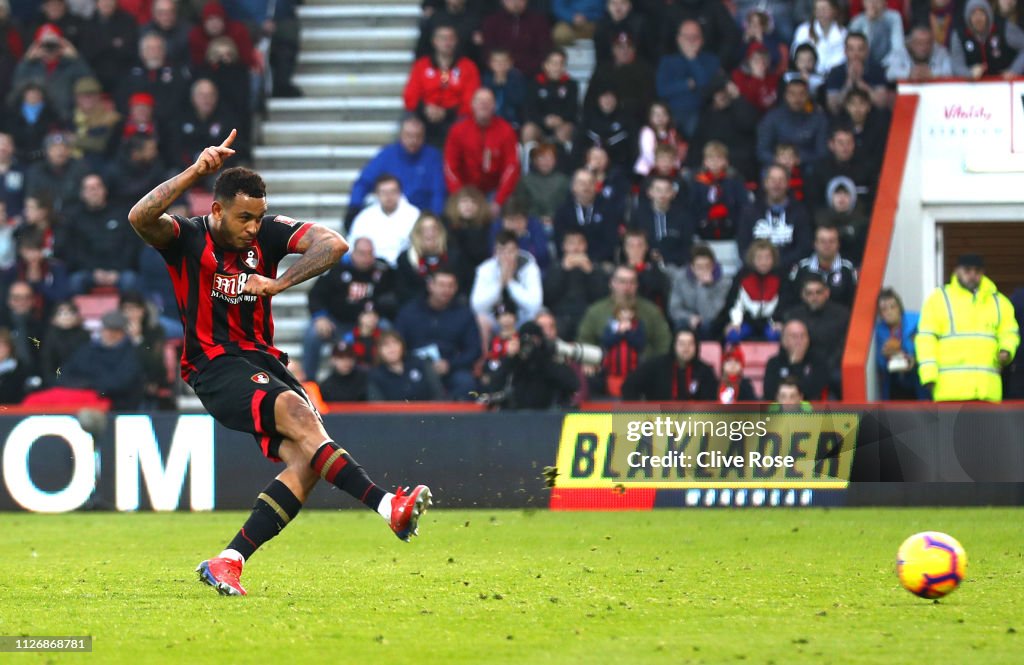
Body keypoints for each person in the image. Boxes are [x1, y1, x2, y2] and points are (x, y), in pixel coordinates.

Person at [127, 128, 431, 596]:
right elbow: (139, 215)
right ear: (217, 209)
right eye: (244, 217)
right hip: (214, 363)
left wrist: (278, 283)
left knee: (309, 462)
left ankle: (229, 560)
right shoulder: (185, 239)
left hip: (265, 361)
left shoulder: (265, 234)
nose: (253, 227)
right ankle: (388, 505)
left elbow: (333, 245)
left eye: (259, 216)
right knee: (296, 412)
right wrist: (196, 171)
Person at [916, 254, 1019, 402]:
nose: (972, 275)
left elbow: (1009, 332)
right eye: (967, 270)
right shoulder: (938, 300)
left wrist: (1006, 350)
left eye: (977, 271)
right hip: (949, 393)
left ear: (983, 273)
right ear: (957, 270)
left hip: (986, 392)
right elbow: (926, 339)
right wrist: (928, 376)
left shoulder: (999, 302)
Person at [302, 236, 397, 379]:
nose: (367, 258)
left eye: (370, 253)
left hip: (368, 324)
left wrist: (376, 313)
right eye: (362, 253)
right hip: (336, 322)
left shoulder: (383, 271)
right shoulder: (336, 268)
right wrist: (320, 316)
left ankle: (389, 378)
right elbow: (316, 295)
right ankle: (308, 381)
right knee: (312, 333)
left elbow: (392, 298)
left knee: (388, 330)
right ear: (353, 253)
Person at [394, 268, 481, 399]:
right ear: (430, 286)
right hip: (415, 367)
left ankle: (453, 419)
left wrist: (450, 364)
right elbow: (398, 342)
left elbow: (474, 349)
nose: (446, 290)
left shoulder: (464, 314)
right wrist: (416, 364)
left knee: (466, 383)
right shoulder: (409, 312)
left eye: (450, 286)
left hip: (451, 368)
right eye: (441, 285)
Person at [348, 118, 445, 223]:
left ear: (424, 137)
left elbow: (438, 191)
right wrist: (355, 206)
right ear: (401, 136)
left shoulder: (432, 157)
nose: (413, 140)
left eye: (418, 136)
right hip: (389, 216)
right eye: (409, 135)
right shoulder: (387, 155)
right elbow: (363, 182)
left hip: (421, 219)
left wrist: (435, 217)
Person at [62, 172, 142, 294]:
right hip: (89, 272)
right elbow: (74, 252)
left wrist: (116, 271)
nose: (93, 192)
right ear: (82, 194)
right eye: (88, 188)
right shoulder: (75, 219)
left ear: (104, 190)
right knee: (75, 281)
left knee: (130, 280)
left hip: (120, 271)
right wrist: (94, 272)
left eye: (96, 187)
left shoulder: (121, 214)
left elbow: (131, 246)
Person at [443, 88, 521, 213]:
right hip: (465, 190)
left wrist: (498, 201)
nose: (484, 104)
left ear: (495, 106)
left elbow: (512, 167)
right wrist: (460, 196)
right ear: (472, 104)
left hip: (495, 191)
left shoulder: (506, 131)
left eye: (488, 101)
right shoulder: (458, 131)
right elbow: (450, 167)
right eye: (480, 101)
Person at [403, 22, 481, 147]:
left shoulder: (468, 67)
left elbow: (470, 100)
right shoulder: (421, 65)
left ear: (456, 41)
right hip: (425, 115)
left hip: (455, 116)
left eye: (450, 38)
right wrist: (425, 108)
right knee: (409, 123)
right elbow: (410, 96)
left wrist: (447, 112)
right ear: (434, 41)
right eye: (443, 38)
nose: (447, 43)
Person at [478, 319, 579, 409]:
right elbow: (494, 386)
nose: (530, 343)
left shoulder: (549, 360)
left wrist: (542, 357)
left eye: (534, 339)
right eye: (526, 339)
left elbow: (573, 384)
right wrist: (510, 358)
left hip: (546, 413)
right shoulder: (515, 361)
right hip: (516, 414)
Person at [576, 264, 671, 359]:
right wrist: (588, 360)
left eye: (632, 282)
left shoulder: (651, 311)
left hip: (643, 370)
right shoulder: (596, 311)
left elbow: (663, 342)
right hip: (605, 368)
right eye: (622, 282)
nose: (627, 287)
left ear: (637, 285)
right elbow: (585, 339)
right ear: (612, 283)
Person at [57, 309, 142, 408]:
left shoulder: (131, 353)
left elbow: (122, 383)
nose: (110, 334)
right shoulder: (86, 350)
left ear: (123, 332)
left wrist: (91, 385)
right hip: (80, 401)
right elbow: (65, 373)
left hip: (116, 405)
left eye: (115, 330)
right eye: (107, 329)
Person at [737, 165, 813, 271]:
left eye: (781, 180)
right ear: (765, 183)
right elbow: (743, 247)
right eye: (772, 180)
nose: (776, 184)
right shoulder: (750, 212)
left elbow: (804, 247)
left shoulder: (800, 212)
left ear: (787, 184)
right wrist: (761, 264)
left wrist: (776, 264)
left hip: (789, 271)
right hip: (756, 270)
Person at [655, 20, 721, 138]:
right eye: (686, 37)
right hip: (672, 111)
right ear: (678, 39)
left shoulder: (711, 60)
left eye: (694, 37)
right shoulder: (667, 61)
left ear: (701, 40)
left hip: (698, 111)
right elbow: (661, 90)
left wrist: (692, 59)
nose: (690, 41)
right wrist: (687, 84)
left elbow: (705, 86)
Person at [471, 229, 543, 337]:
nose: (506, 256)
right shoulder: (486, 268)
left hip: (523, 318)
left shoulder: (529, 267)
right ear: (495, 252)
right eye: (502, 251)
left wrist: (510, 282)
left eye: (510, 251)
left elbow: (535, 305)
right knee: (480, 320)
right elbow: (477, 306)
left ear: (517, 251)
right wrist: (500, 283)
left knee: (542, 318)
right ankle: (486, 354)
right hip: (496, 319)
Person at [542, 229, 608, 339]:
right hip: (560, 316)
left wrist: (590, 273)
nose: (576, 248)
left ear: (585, 245)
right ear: (564, 246)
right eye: (571, 243)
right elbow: (548, 297)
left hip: (588, 316)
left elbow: (602, 298)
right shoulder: (554, 268)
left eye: (579, 243)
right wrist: (563, 271)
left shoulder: (596, 269)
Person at [621, 328, 718, 400]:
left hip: (694, 423)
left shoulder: (705, 371)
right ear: (674, 346)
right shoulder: (656, 366)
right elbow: (629, 385)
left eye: (690, 344)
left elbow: (712, 402)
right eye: (681, 344)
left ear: (696, 347)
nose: (686, 348)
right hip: (659, 422)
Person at [347, 175, 421, 268]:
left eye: (392, 192)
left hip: (406, 268)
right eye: (384, 192)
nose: (388, 196)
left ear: (400, 192)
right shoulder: (364, 217)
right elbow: (353, 246)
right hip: (373, 268)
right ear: (376, 194)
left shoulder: (414, 215)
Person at [756, 78, 828, 171]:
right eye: (792, 94)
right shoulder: (772, 117)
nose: (797, 98)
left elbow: (822, 153)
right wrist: (779, 160)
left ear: (808, 96)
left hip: (807, 165)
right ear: (786, 95)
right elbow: (761, 151)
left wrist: (799, 159)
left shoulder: (818, 118)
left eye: (802, 94)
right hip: (777, 165)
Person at [553, 168, 619, 265]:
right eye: (581, 183)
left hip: (599, 261)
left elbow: (610, 242)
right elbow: (559, 240)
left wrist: (589, 259)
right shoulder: (562, 211)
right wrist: (575, 259)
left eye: (590, 183)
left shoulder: (607, 209)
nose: (586, 187)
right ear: (573, 187)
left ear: (596, 187)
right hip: (569, 259)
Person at [786, 223, 858, 309]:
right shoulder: (801, 268)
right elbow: (791, 300)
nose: (827, 245)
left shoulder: (848, 268)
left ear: (838, 244)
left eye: (831, 241)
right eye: (822, 241)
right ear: (815, 244)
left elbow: (854, 301)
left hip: (840, 319)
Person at [629, 174, 694, 268]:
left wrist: (667, 257)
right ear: (650, 192)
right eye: (658, 190)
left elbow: (687, 245)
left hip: (676, 265)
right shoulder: (638, 215)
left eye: (666, 190)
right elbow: (632, 240)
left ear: (673, 193)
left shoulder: (683, 216)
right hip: (644, 263)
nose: (662, 194)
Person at [950, 0, 1024, 79]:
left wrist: (1014, 70)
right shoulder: (959, 34)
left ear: (988, 14)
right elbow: (956, 65)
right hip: (972, 87)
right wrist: (969, 73)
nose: (978, 18)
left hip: (1003, 84)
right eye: (973, 14)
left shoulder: (1003, 28)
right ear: (968, 16)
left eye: (981, 13)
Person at [397, 212, 461, 302]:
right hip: (417, 307)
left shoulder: (453, 256)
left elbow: (461, 287)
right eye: (424, 229)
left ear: (441, 232)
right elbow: (402, 292)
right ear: (417, 234)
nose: (430, 233)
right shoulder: (406, 259)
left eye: (433, 229)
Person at [669, 244, 730, 339]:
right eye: (699, 267)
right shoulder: (680, 278)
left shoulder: (723, 283)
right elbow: (674, 309)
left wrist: (703, 287)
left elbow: (711, 315)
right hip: (687, 319)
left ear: (713, 266)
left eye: (707, 266)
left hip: (711, 323)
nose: (704, 270)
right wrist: (690, 317)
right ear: (692, 267)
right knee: (680, 324)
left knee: (707, 326)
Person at [874, 287, 925, 400]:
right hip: (894, 384)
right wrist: (885, 356)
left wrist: (908, 352)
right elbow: (880, 365)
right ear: (880, 314)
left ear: (899, 308)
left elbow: (927, 351)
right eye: (884, 309)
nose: (889, 312)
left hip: (917, 382)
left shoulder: (917, 322)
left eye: (893, 307)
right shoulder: (880, 331)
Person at [521, 47, 578, 146]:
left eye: (561, 64)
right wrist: (544, 120)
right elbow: (529, 109)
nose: (557, 67)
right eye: (554, 63)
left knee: (565, 131)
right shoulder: (534, 83)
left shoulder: (571, 84)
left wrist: (561, 119)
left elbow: (573, 109)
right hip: (540, 125)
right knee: (528, 130)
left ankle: (564, 161)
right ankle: (528, 161)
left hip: (563, 123)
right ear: (545, 65)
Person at [481, 0, 553, 77]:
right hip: (498, 74)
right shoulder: (492, 22)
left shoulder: (539, 21)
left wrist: (525, 69)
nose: (516, 3)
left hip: (531, 75)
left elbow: (544, 51)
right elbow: (487, 51)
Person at [367, 330, 444, 401]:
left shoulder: (420, 363)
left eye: (395, 343)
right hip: (395, 415)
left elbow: (438, 394)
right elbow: (377, 409)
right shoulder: (375, 376)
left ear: (402, 345)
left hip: (428, 413)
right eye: (386, 345)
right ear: (379, 351)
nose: (392, 349)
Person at [824, 32, 890, 115]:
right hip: (843, 118)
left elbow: (881, 104)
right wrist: (849, 83)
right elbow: (833, 107)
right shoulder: (836, 72)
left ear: (866, 51)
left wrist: (860, 82)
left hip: (872, 116)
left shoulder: (877, 70)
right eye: (851, 49)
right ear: (845, 51)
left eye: (860, 49)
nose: (856, 54)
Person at [763, 318, 829, 401]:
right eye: (794, 336)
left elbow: (814, 393)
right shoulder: (774, 363)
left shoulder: (818, 362)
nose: (799, 341)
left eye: (803, 336)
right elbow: (769, 393)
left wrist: (796, 365)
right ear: (784, 340)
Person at [791, 0, 847, 75]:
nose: (821, 13)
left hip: (834, 76)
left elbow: (842, 59)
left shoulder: (843, 34)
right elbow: (796, 54)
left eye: (825, 9)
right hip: (807, 74)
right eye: (818, 9)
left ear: (834, 10)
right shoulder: (803, 30)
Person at [886, 25, 954, 81]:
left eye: (927, 43)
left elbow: (950, 72)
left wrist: (931, 74)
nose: (923, 47)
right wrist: (909, 73)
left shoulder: (941, 51)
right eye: (919, 43)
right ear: (911, 43)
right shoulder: (900, 50)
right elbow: (890, 73)